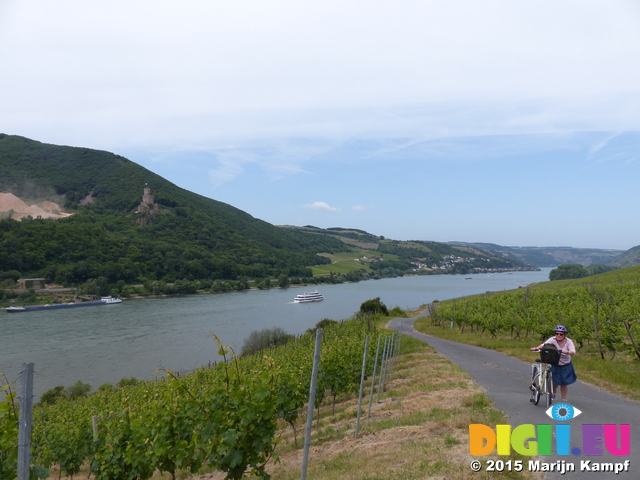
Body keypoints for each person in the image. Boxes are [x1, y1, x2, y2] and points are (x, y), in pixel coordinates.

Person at [530, 325, 577, 402]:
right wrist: (536, 348)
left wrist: (568, 352)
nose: (558, 335)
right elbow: (543, 345)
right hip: (555, 362)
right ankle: (553, 392)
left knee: (564, 382)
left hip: (565, 364)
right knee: (555, 380)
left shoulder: (569, 341)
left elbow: (573, 351)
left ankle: (564, 399)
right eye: (557, 333)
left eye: (561, 334)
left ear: (565, 335)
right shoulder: (552, 340)